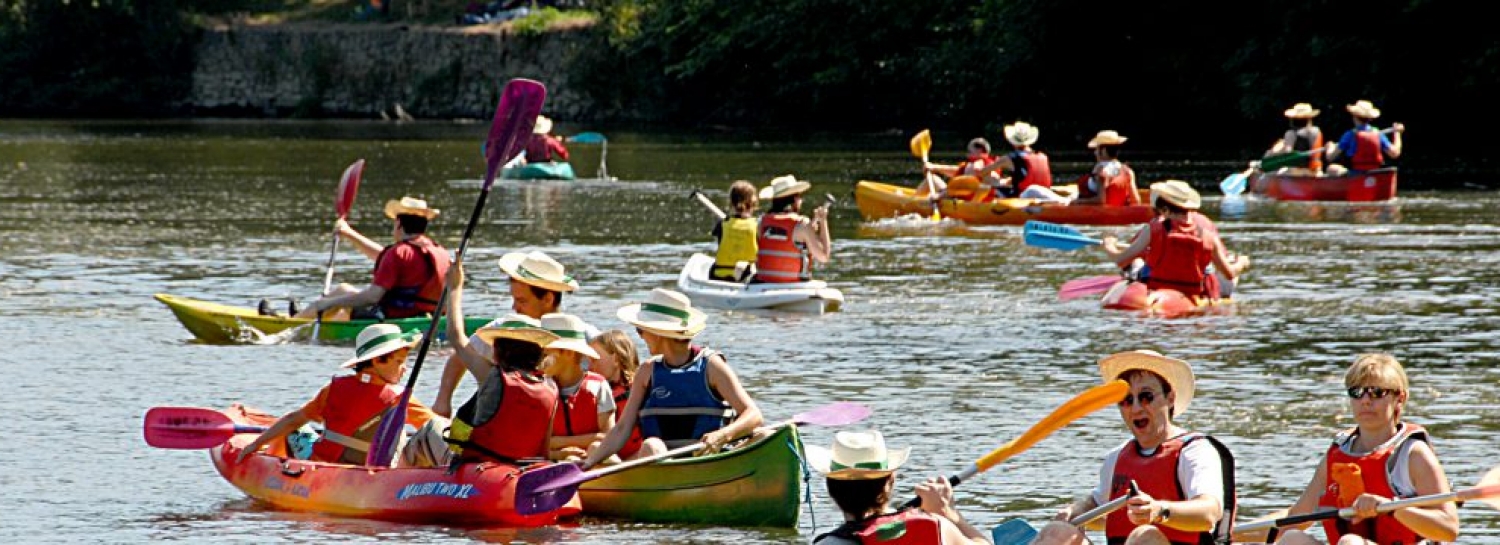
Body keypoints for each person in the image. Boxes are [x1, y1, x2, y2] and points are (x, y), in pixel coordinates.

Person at [1250, 353, 1459, 545]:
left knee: (1350, 542)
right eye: (1357, 392)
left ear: (1400, 398)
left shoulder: (1414, 455)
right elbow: (1295, 518)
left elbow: (1449, 529)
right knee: (1292, 539)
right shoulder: (1337, 454)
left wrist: (1392, 507)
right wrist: (1229, 532)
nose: (1365, 401)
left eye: (1377, 392)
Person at [1036, 350, 1236, 545]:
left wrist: (1159, 511)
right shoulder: (1116, 457)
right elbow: (1097, 508)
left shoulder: (1195, 451)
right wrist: (1076, 510)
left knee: (1144, 536)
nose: (1136, 408)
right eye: (1126, 400)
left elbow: (1210, 512)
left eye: (1146, 397)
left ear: (1170, 398)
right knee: (1056, 532)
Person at [580, 288, 763, 466]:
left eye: (641, 330)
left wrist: (723, 435)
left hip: (710, 462)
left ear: (658, 333)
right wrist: (588, 463)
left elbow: (753, 415)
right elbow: (621, 429)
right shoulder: (646, 372)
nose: (641, 337)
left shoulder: (712, 366)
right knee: (651, 445)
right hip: (666, 468)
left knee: (765, 436)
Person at [235, 324, 438, 466]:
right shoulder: (400, 398)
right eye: (399, 362)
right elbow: (436, 426)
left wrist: (256, 444)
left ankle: (275, 466)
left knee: (295, 429)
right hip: (367, 469)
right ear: (377, 361)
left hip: (325, 463)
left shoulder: (334, 389)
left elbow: (293, 420)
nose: (404, 369)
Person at [436, 260, 560, 466]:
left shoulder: (492, 377)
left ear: (498, 352)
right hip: (525, 467)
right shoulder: (551, 387)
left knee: (429, 431)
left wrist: (455, 288)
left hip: (481, 467)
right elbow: (544, 449)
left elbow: (456, 336)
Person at [432, 250, 578, 418]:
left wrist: (455, 288)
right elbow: (459, 356)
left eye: (522, 301)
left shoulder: (578, 339)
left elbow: (458, 339)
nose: (514, 308)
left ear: (548, 299)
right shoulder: (506, 326)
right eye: (514, 299)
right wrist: (443, 401)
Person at [809, 430, 989, 545]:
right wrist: (950, 515)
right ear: (891, 481)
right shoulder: (937, 527)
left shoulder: (830, 543)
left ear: (830, 488)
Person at [293, 197, 449, 321]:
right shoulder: (438, 251)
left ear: (399, 224)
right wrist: (349, 234)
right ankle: (302, 317)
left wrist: (328, 303)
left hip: (396, 316)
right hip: (430, 316)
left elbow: (372, 297)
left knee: (342, 292)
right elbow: (385, 258)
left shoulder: (398, 253)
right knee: (345, 296)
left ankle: (292, 323)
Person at [1100, 181, 1243, 302]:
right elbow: (1229, 273)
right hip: (1194, 294)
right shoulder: (1208, 236)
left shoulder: (1153, 229)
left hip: (1158, 289)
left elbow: (1121, 260)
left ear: (1164, 209)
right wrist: (1242, 263)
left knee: (1136, 265)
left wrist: (1109, 245)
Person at [537, 313, 614, 462]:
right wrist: (562, 454)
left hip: (594, 460)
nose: (540, 360)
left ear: (568, 353)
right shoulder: (540, 388)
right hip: (554, 462)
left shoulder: (598, 386)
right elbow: (535, 444)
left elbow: (607, 438)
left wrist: (557, 442)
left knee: (597, 448)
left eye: (545, 353)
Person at [753, 175, 831, 284]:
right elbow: (824, 257)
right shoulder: (802, 224)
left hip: (765, 284)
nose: (801, 200)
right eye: (799, 197)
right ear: (794, 199)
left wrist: (808, 231)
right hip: (793, 285)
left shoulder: (760, 223)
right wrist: (823, 221)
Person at [973, 121, 1064, 203]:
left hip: (1022, 198)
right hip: (1042, 193)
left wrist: (977, 164)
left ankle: (974, 205)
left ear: (1012, 141)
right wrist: (1009, 181)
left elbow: (981, 173)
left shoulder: (1009, 158)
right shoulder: (1040, 155)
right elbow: (1027, 176)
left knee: (990, 188)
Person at [588, 329, 645, 459]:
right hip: (614, 461)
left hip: (642, 457)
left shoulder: (642, 388)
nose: (590, 367)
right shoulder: (596, 392)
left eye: (594, 359)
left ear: (615, 359)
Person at [1325, 100, 1404, 175]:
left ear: (1354, 116)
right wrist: (1397, 134)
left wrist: (1329, 147)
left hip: (1356, 175)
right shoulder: (1377, 134)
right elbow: (1395, 153)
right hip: (1375, 173)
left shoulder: (1349, 135)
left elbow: (1330, 157)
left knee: (1331, 168)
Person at [1071, 130, 1142, 207]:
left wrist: (1078, 201)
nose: (1095, 152)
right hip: (1118, 212)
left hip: (1098, 214)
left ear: (1103, 150)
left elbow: (1101, 200)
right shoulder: (1128, 171)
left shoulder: (1101, 170)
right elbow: (1136, 201)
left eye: (1096, 149)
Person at [710, 180, 760, 282]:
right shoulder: (757, 225)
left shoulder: (722, 224)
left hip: (719, 276)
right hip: (747, 276)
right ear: (753, 204)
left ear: (731, 203)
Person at [1266, 103, 1325, 175]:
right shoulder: (1317, 131)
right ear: (1309, 119)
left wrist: (1276, 151)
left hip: (1296, 172)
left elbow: (1288, 154)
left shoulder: (1290, 133)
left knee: (1273, 171)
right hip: (1315, 172)